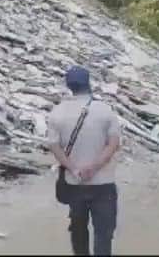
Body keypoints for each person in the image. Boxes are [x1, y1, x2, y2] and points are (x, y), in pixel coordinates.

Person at [46, 65, 122, 256]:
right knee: (103, 233)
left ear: (69, 86)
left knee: (78, 230)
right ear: (89, 83)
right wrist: (94, 167)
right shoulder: (105, 110)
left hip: (75, 183)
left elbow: (54, 146)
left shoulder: (57, 112)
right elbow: (113, 144)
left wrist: (73, 168)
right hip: (103, 183)